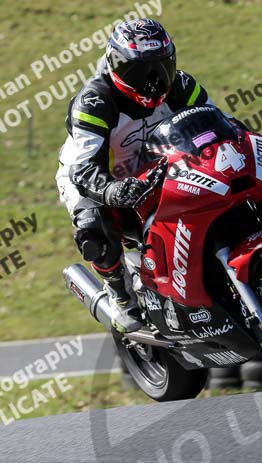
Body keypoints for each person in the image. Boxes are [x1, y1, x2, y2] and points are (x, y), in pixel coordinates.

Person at [56, 18, 217, 333]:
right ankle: (121, 298)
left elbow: (218, 124)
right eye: (140, 72)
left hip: (158, 168)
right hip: (97, 177)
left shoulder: (182, 86)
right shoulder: (96, 100)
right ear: (116, 66)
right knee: (94, 228)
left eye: (161, 68)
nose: (154, 82)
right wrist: (112, 191)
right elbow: (85, 168)